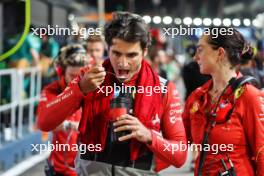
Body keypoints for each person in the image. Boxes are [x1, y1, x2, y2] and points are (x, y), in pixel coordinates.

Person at [37, 11, 187, 176]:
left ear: (144, 52)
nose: (123, 63)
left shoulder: (164, 89)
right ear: (107, 48)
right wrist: (78, 89)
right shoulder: (88, 79)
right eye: (116, 53)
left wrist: (150, 136)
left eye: (131, 55)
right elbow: (44, 123)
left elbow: (180, 155)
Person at [182, 27, 264, 176]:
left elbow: (262, 153)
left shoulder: (250, 97)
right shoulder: (197, 97)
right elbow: (178, 142)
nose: (195, 57)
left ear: (220, 53)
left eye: (200, 50)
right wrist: (149, 135)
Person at [37, 44, 90, 176]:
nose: (76, 80)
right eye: (72, 76)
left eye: (79, 76)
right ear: (61, 72)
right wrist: (71, 125)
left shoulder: (91, 87)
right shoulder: (51, 90)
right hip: (59, 169)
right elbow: (44, 123)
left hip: (85, 169)